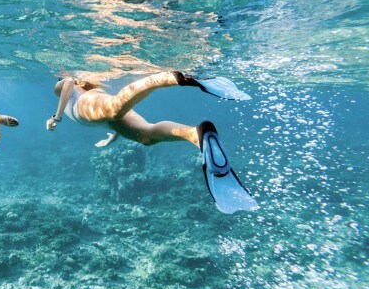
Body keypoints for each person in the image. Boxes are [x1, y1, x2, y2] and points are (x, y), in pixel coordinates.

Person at [46, 71, 258, 214]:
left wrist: (56, 117)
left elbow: (68, 82)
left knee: (114, 108)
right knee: (146, 137)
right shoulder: (90, 89)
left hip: (85, 106)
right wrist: (113, 136)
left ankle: (174, 77)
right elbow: (106, 118)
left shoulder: (62, 85)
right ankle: (196, 135)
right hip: (102, 116)